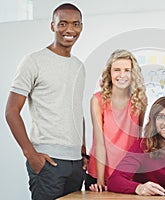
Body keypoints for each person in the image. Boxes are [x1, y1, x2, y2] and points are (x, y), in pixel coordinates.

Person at [5, 3, 86, 200]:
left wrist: (83, 152)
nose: (69, 30)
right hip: (48, 163)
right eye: (63, 24)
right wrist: (31, 156)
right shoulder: (33, 61)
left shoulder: (79, 66)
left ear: (81, 27)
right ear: (52, 26)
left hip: (77, 164)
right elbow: (11, 111)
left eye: (75, 24)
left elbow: (76, 111)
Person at [85, 49, 148, 192]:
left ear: (133, 74)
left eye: (127, 70)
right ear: (109, 73)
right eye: (117, 70)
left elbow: (138, 140)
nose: (122, 75)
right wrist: (100, 181)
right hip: (99, 174)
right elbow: (99, 143)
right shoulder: (98, 100)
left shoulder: (140, 100)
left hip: (127, 175)